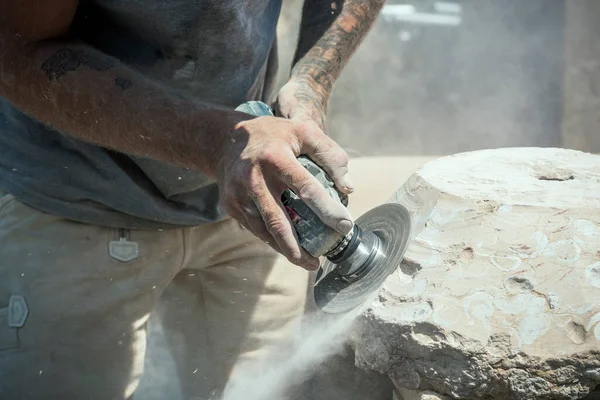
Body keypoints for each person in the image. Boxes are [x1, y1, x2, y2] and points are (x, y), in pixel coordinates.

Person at [0, 0, 385, 398]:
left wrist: (312, 84)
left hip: (249, 204)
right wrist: (214, 143)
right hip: (77, 199)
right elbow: (16, 49)